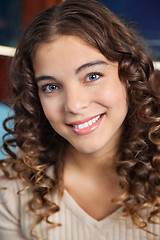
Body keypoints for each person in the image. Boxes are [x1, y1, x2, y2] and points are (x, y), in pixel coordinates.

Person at [0, 0, 160, 239]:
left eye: (92, 75)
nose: (74, 105)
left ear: (128, 75)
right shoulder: (12, 187)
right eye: (51, 87)